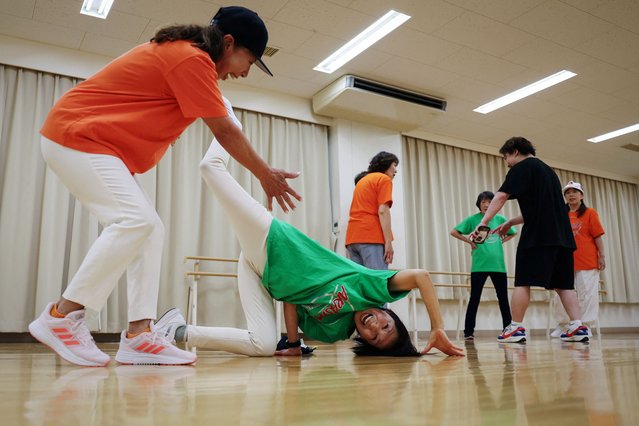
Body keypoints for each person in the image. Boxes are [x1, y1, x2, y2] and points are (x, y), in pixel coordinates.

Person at [28, 6, 302, 367]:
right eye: (248, 60)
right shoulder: (191, 59)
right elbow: (224, 130)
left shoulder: (191, 62)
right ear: (230, 43)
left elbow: (220, 119)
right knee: (135, 221)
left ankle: (140, 335)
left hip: (95, 144)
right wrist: (264, 173)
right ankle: (62, 317)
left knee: (149, 229)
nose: (246, 71)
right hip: (76, 135)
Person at [158, 138, 464, 358]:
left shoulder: (332, 332)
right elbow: (422, 276)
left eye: (377, 339)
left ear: (365, 344)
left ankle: (176, 330)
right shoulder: (372, 287)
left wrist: (292, 342)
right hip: (276, 244)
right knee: (211, 168)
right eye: (388, 326)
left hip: (262, 274)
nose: (377, 329)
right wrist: (438, 328)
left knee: (262, 345)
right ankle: (226, 117)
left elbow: (293, 298)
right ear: (391, 316)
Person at [470, 137, 591, 343]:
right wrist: (511, 222)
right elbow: (542, 209)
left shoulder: (522, 167)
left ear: (515, 152)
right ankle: (578, 326)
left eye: (506, 157)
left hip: (538, 236)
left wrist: (483, 223)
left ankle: (515, 328)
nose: (506, 162)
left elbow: (500, 197)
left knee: (523, 281)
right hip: (562, 238)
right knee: (564, 285)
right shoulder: (549, 172)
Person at [451, 191, 516, 340]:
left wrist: (501, 241)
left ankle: (508, 330)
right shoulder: (474, 220)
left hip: (498, 266)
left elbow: (513, 232)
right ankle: (468, 332)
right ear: (479, 204)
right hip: (479, 266)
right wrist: (469, 241)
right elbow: (454, 231)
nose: (486, 205)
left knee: (503, 299)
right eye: (483, 202)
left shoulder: (500, 219)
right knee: (475, 298)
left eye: (489, 202)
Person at [550, 181, 605, 337]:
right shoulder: (561, 213)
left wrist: (602, 256)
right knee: (560, 294)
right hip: (564, 260)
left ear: (581, 195)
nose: (571, 195)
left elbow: (597, 236)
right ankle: (563, 325)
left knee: (588, 294)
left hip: (587, 261)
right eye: (567, 192)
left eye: (575, 191)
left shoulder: (590, 213)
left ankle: (585, 325)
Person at [345, 152, 399, 269]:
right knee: (377, 281)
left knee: (360, 282)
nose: (396, 170)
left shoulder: (362, 181)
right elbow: (383, 211)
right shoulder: (383, 179)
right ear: (386, 164)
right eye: (394, 165)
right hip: (371, 236)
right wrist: (388, 242)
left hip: (352, 238)